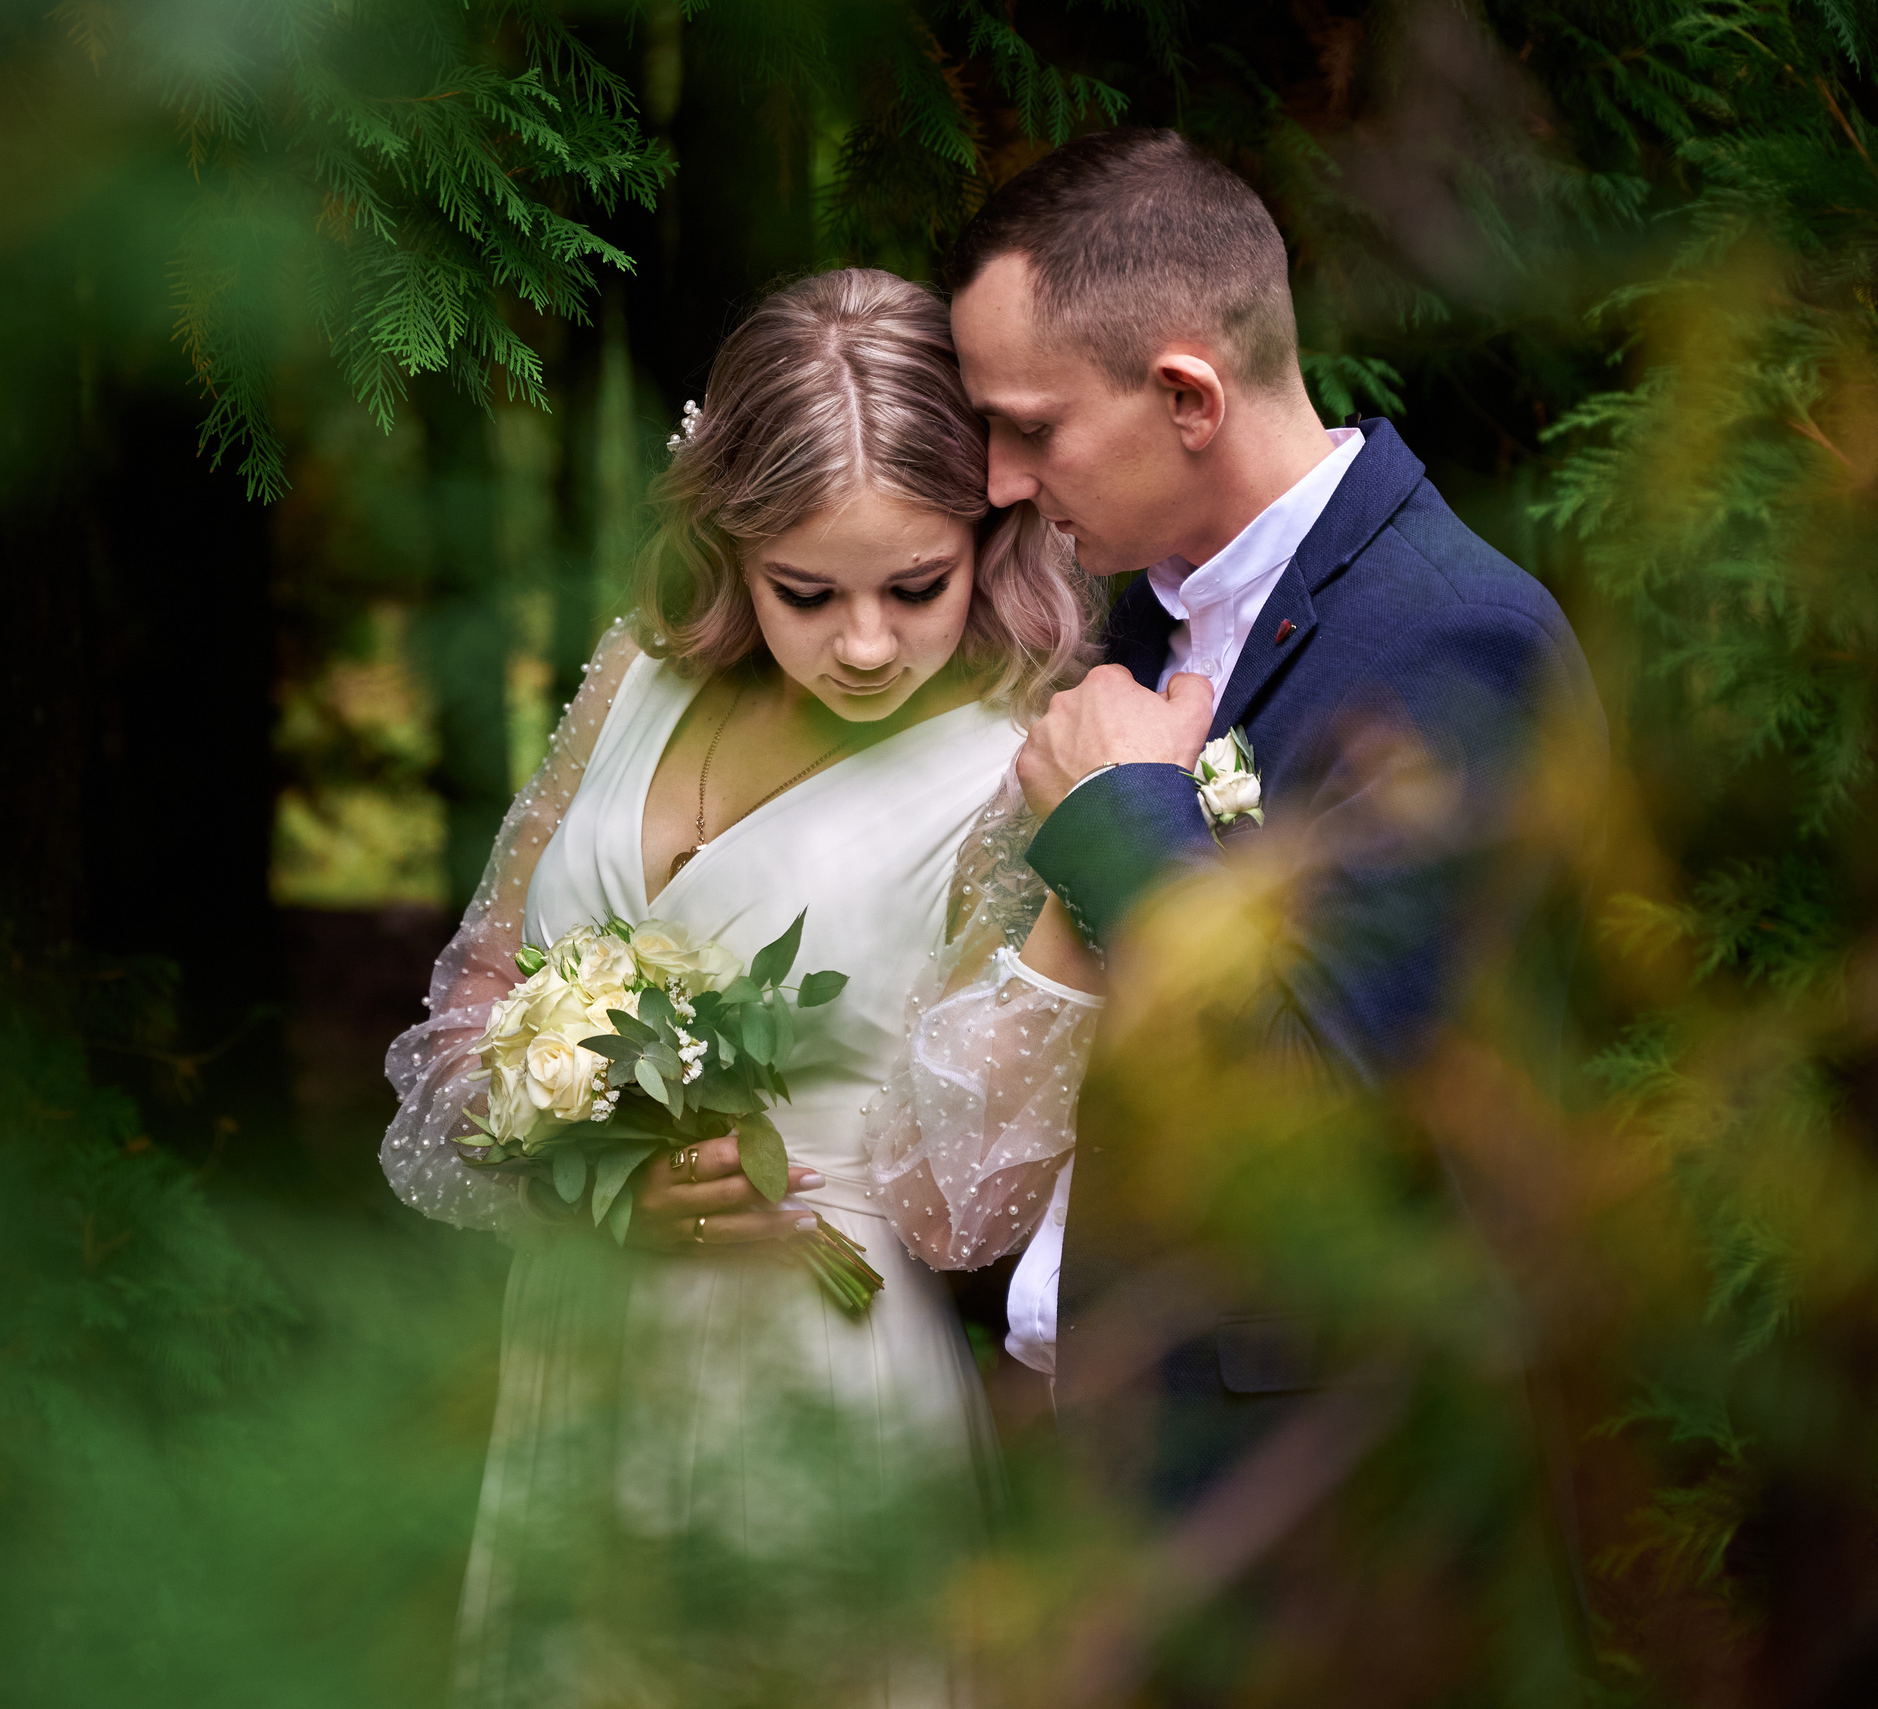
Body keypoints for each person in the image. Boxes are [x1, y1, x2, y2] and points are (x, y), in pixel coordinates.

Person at [382, 268, 1105, 1707]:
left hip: (816, 1362)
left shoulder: (1018, 757)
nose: (863, 643)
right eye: (803, 590)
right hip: (580, 1344)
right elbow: (459, 1030)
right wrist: (585, 1174)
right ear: (727, 546)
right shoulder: (636, 677)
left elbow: (968, 1199)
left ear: (988, 536)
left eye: (917, 584)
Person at [945, 125, 1603, 1625]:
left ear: (1186, 393)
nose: (997, 478)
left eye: (1029, 427)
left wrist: (1127, 821)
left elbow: (1329, 1116)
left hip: (1325, 1539)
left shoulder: (1458, 644)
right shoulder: (1137, 627)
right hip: (1122, 1485)